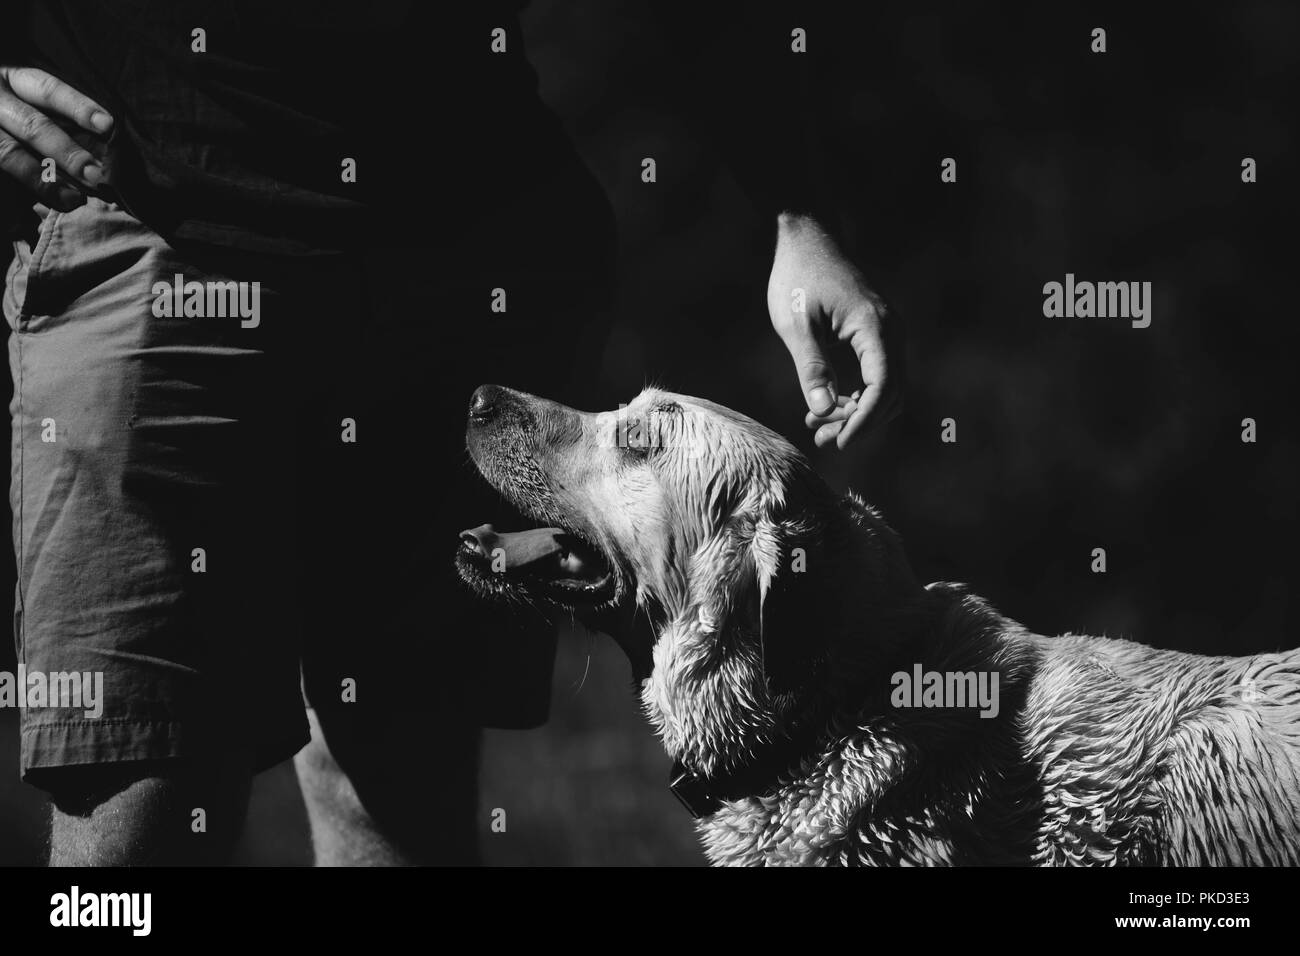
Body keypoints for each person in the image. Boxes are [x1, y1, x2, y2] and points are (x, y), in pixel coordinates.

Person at [0, 2, 899, 864]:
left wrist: (797, 210)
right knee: (138, 783)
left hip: (462, 239)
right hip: (146, 213)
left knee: (400, 784)